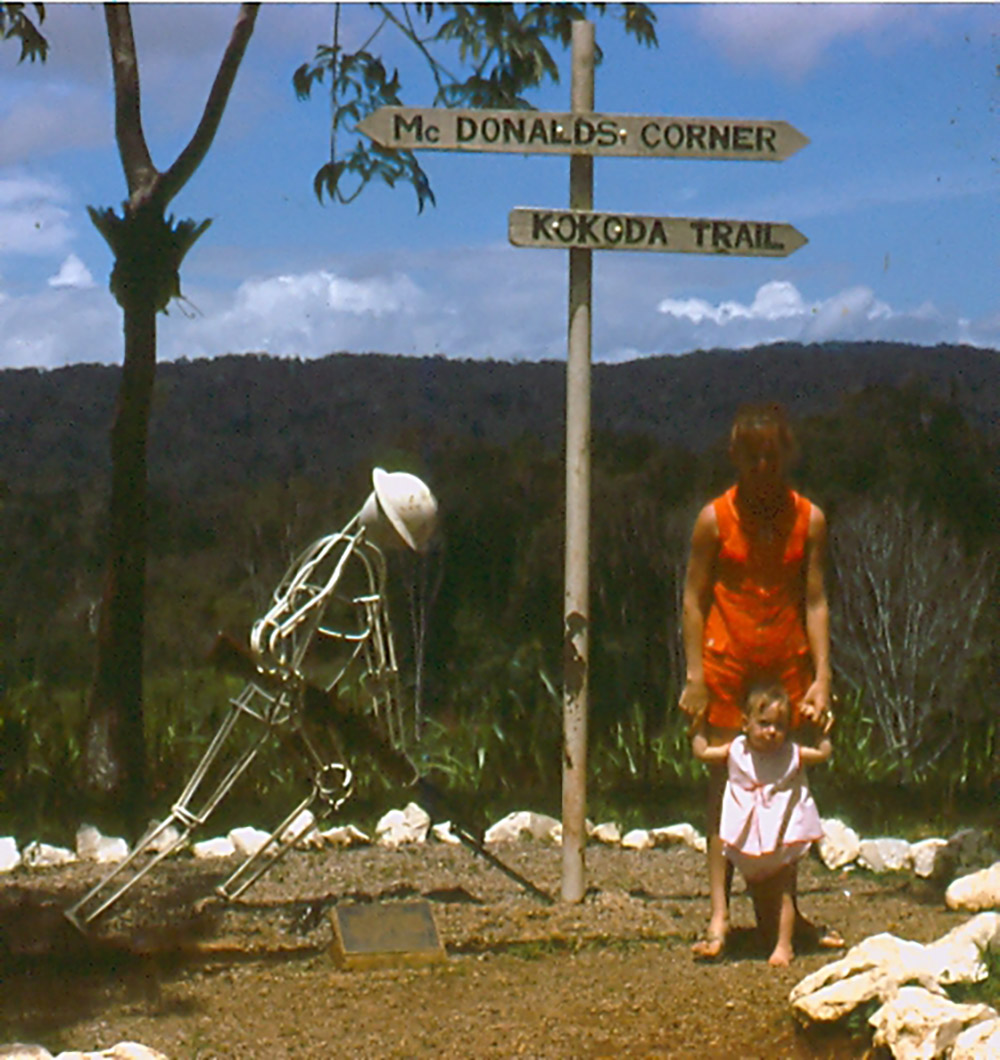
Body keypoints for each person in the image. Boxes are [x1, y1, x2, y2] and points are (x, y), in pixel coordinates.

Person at [678, 401, 835, 959]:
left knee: (787, 793)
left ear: (786, 454)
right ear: (736, 457)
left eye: (772, 456)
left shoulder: (808, 518)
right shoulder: (714, 519)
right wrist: (694, 675)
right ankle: (720, 915)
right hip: (727, 662)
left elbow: (815, 599)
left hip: (785, 665)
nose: (763, 467)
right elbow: (694, 600)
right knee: (726, 791)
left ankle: (784, 917)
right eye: (752, 457)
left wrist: (822, 677)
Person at [692, 682, 831, 966]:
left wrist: (823, 729)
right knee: (761, 890)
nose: (771, 732)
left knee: (783, 891)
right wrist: (697, 724)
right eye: (764, 723)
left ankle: (784, 945)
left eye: (779, 726)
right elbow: (703, 752)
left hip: (781, 833)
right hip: (746, 835)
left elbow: (822, 754)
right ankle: (761, 932)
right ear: (745, 723)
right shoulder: (736, 750)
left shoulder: (791, 752)